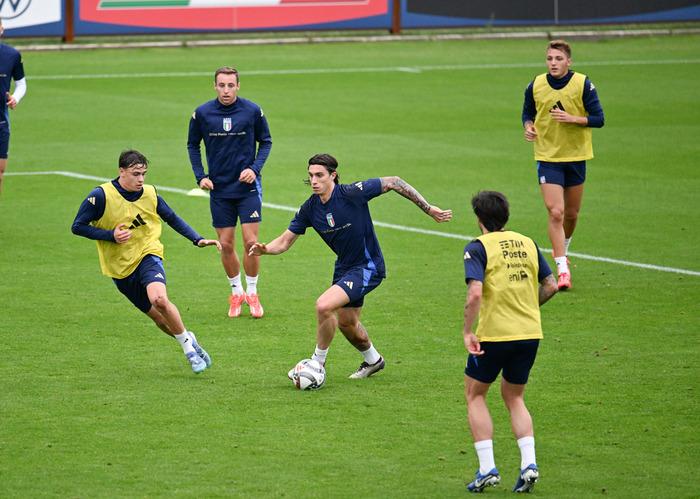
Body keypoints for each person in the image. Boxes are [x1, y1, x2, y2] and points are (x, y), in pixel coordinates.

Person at [249, 153, 452, 380]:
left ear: (333, 176)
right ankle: (374, 360)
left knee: (323, 306)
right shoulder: (309, 208)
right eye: (310, 176)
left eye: (319, 175)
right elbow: (285, 241)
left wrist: (428, 209)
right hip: (344, 267)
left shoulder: (353, 193)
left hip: (368, 266)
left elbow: (394, 181)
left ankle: (317, 363)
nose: (314, 181)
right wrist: (265, 249)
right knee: (348, 323)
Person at [71, 150, 221, 374]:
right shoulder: (101, 196)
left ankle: (189, 351)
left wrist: (197, 239)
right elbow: (78, 226)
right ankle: (188, 339)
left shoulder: (150, 193)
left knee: (160, 299)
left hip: (148, 253)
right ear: (121, 171)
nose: (141, 179)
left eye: (144, 174)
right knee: (160, 320)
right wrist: (110, 235)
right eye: (135, 174)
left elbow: (171, 217)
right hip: (120, 268)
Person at [461, 191, 558, 493]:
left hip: (495, 335)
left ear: (479, 218)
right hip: (530, 333)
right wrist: (528, 309)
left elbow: (475, 292)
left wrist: (467, 330)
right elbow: (551, 285)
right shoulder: (527, 242)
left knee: (475, 395)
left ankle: (487, 467)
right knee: (514, 396)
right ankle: (529, 463)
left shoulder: (478, 247)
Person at [187, 66, 272, 318]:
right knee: (225, 245)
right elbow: (192, 144)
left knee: (251, 243)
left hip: (247, 189)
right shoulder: (202, 113)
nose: (226, 90)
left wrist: (254, 169)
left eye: (230, 85)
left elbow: (266, 141)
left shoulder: (252, 111)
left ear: (238, 86)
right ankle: (236, 293)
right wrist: (200, 176)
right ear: (214, 86)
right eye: (221, 85)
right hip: (220, 190)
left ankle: (253, 293)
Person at [521, 39, 605, 290]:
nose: (553, 63)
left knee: (571, 214)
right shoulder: (535, 84)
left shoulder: (583, 84)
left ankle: (564, 250)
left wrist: (573, 119)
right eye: (549, 59)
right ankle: (562, 269)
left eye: (558, 59)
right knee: (555, 211)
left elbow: (599, 119)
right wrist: (528, 127)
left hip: (576, 156)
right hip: (547, 157)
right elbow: (527, 113)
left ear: (569, 61)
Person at [0, 17, 27, 195]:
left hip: (1, 122)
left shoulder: (12, 55)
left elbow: (21, 84)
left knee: (0, 172)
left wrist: (15, 98)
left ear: (2, 29)